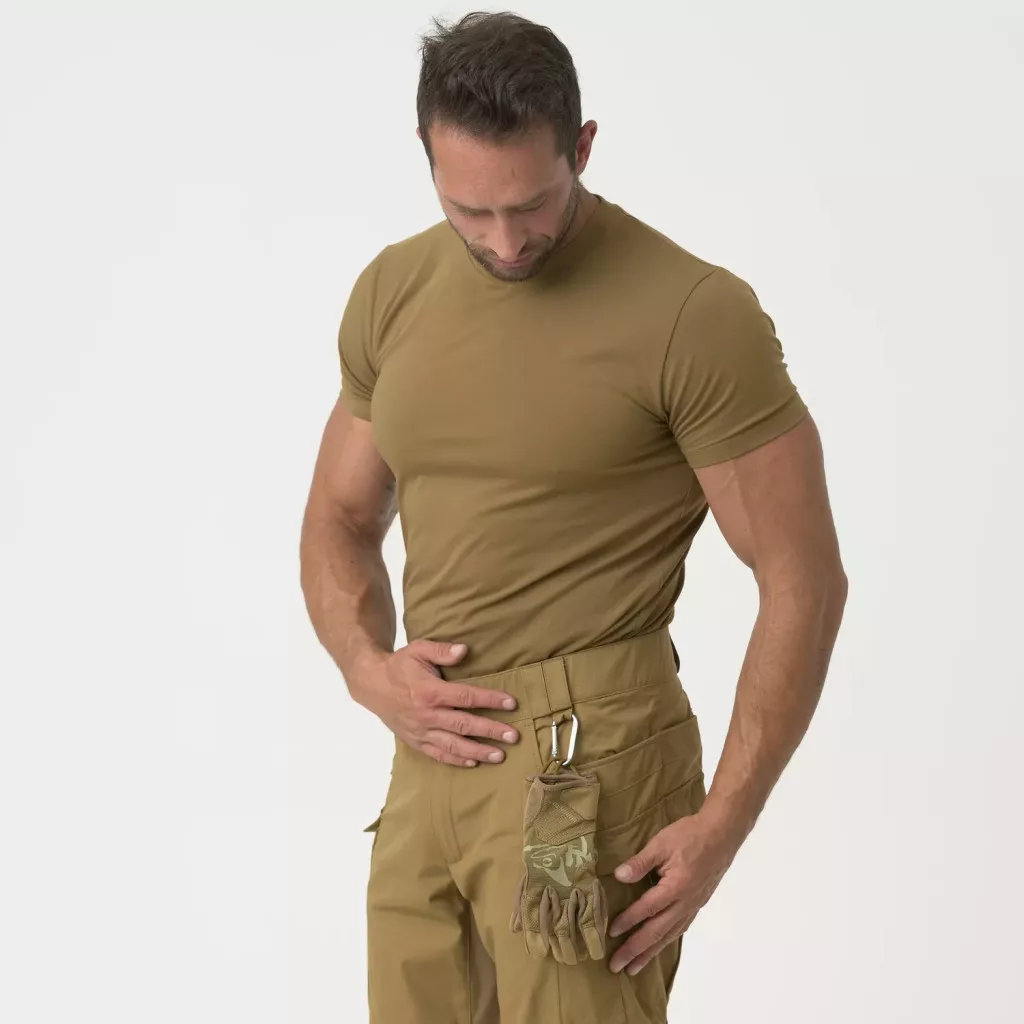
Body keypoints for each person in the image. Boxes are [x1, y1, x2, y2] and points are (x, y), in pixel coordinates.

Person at [299, 10, 847, 1023]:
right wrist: (367, 670)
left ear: (582, 146)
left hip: (582, 765)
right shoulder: (392, 291)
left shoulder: (691, 314)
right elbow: (339, 513)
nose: (505, 241)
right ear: (425, 155)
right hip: (427, 764)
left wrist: (726, 820)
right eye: (470, 210)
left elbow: (802, 576)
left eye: (532, 204)